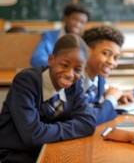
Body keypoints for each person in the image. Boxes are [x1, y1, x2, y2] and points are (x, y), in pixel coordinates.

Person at [0, 34, 96, 163]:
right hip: (15, 155)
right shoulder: (26, 81)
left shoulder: (75, 84)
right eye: (64, 65)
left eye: (77, 69)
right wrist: (71, 127)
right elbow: (33, 136)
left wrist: (44, 131)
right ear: (51, 60)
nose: (69, 74)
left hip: (50, 148)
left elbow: (88, 123)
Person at [82, 25, 133, 125]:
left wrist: (114, 96)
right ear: (87, 51)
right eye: (106, 53)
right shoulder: (73, 79)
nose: (111, 62)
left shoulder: (99, 78)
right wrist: (111, 99)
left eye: (116, 57)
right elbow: (88, 119)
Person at [30, 3, 91, 67]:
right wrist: (60, 67)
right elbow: (36, 59)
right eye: (75, 19)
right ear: (65, 18)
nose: (78, 25)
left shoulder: (85, 42)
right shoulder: (50, 37)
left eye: (82, 22)